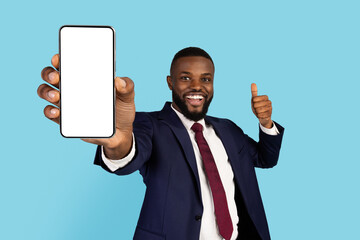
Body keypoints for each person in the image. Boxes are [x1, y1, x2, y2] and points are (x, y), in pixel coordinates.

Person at [38, 47, 284, 240]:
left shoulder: (228, 129)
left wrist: (266, 122)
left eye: (206, 79)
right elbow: (131, 153)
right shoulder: (150, 124)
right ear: (170, 82)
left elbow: (266, 159)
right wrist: (117, 144)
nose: (197, 86)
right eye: (185, 78)